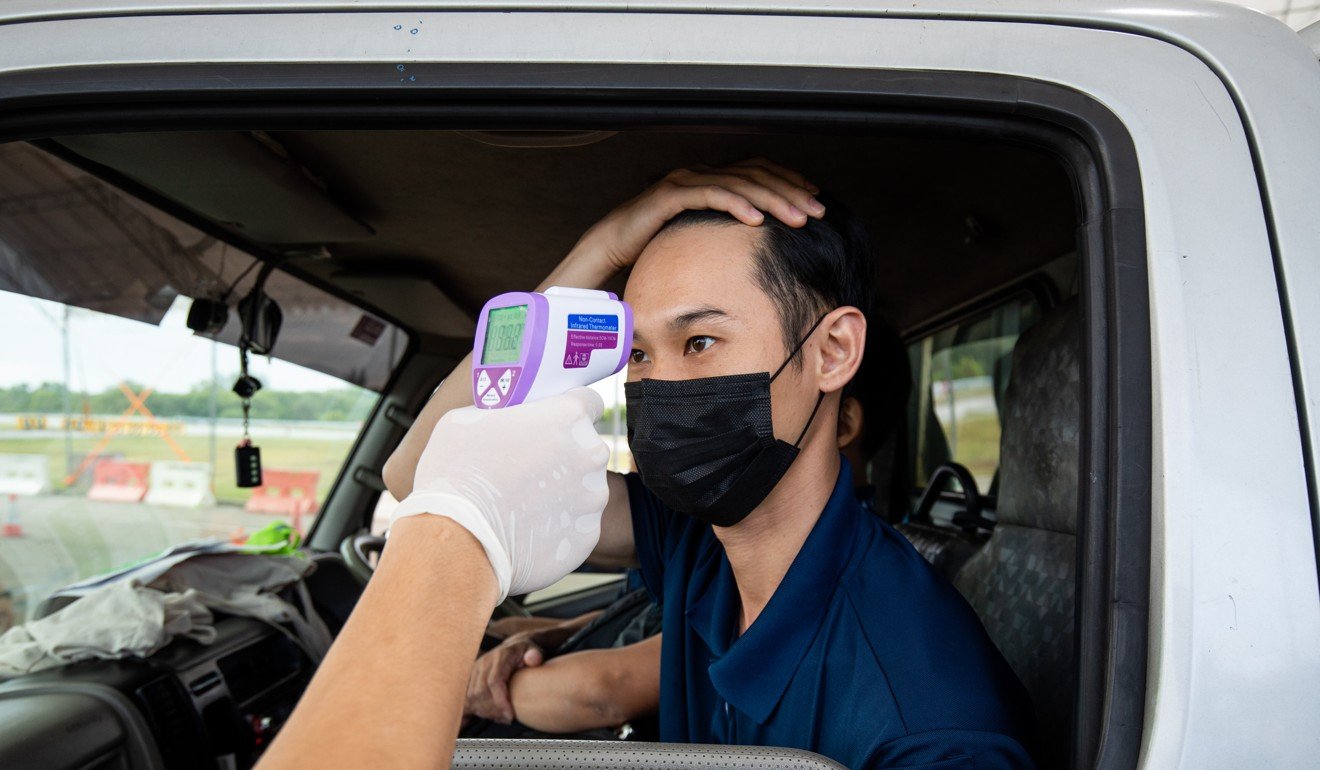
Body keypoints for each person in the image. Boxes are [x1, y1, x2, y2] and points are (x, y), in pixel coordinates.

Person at [385, 159, 1036, 768]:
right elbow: (425, 475)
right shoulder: (696, 540)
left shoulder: (930, 728)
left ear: (833, 352)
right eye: (639, 355)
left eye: (699, 342)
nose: (659, 385)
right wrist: (603, 247)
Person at [257, 388, 612, 770]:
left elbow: (600, 690)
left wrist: (450, 687)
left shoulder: (676, 539)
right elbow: (403, 476)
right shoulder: (663, 529)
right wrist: (536, 634)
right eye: (637, 355)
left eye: (690, 344)